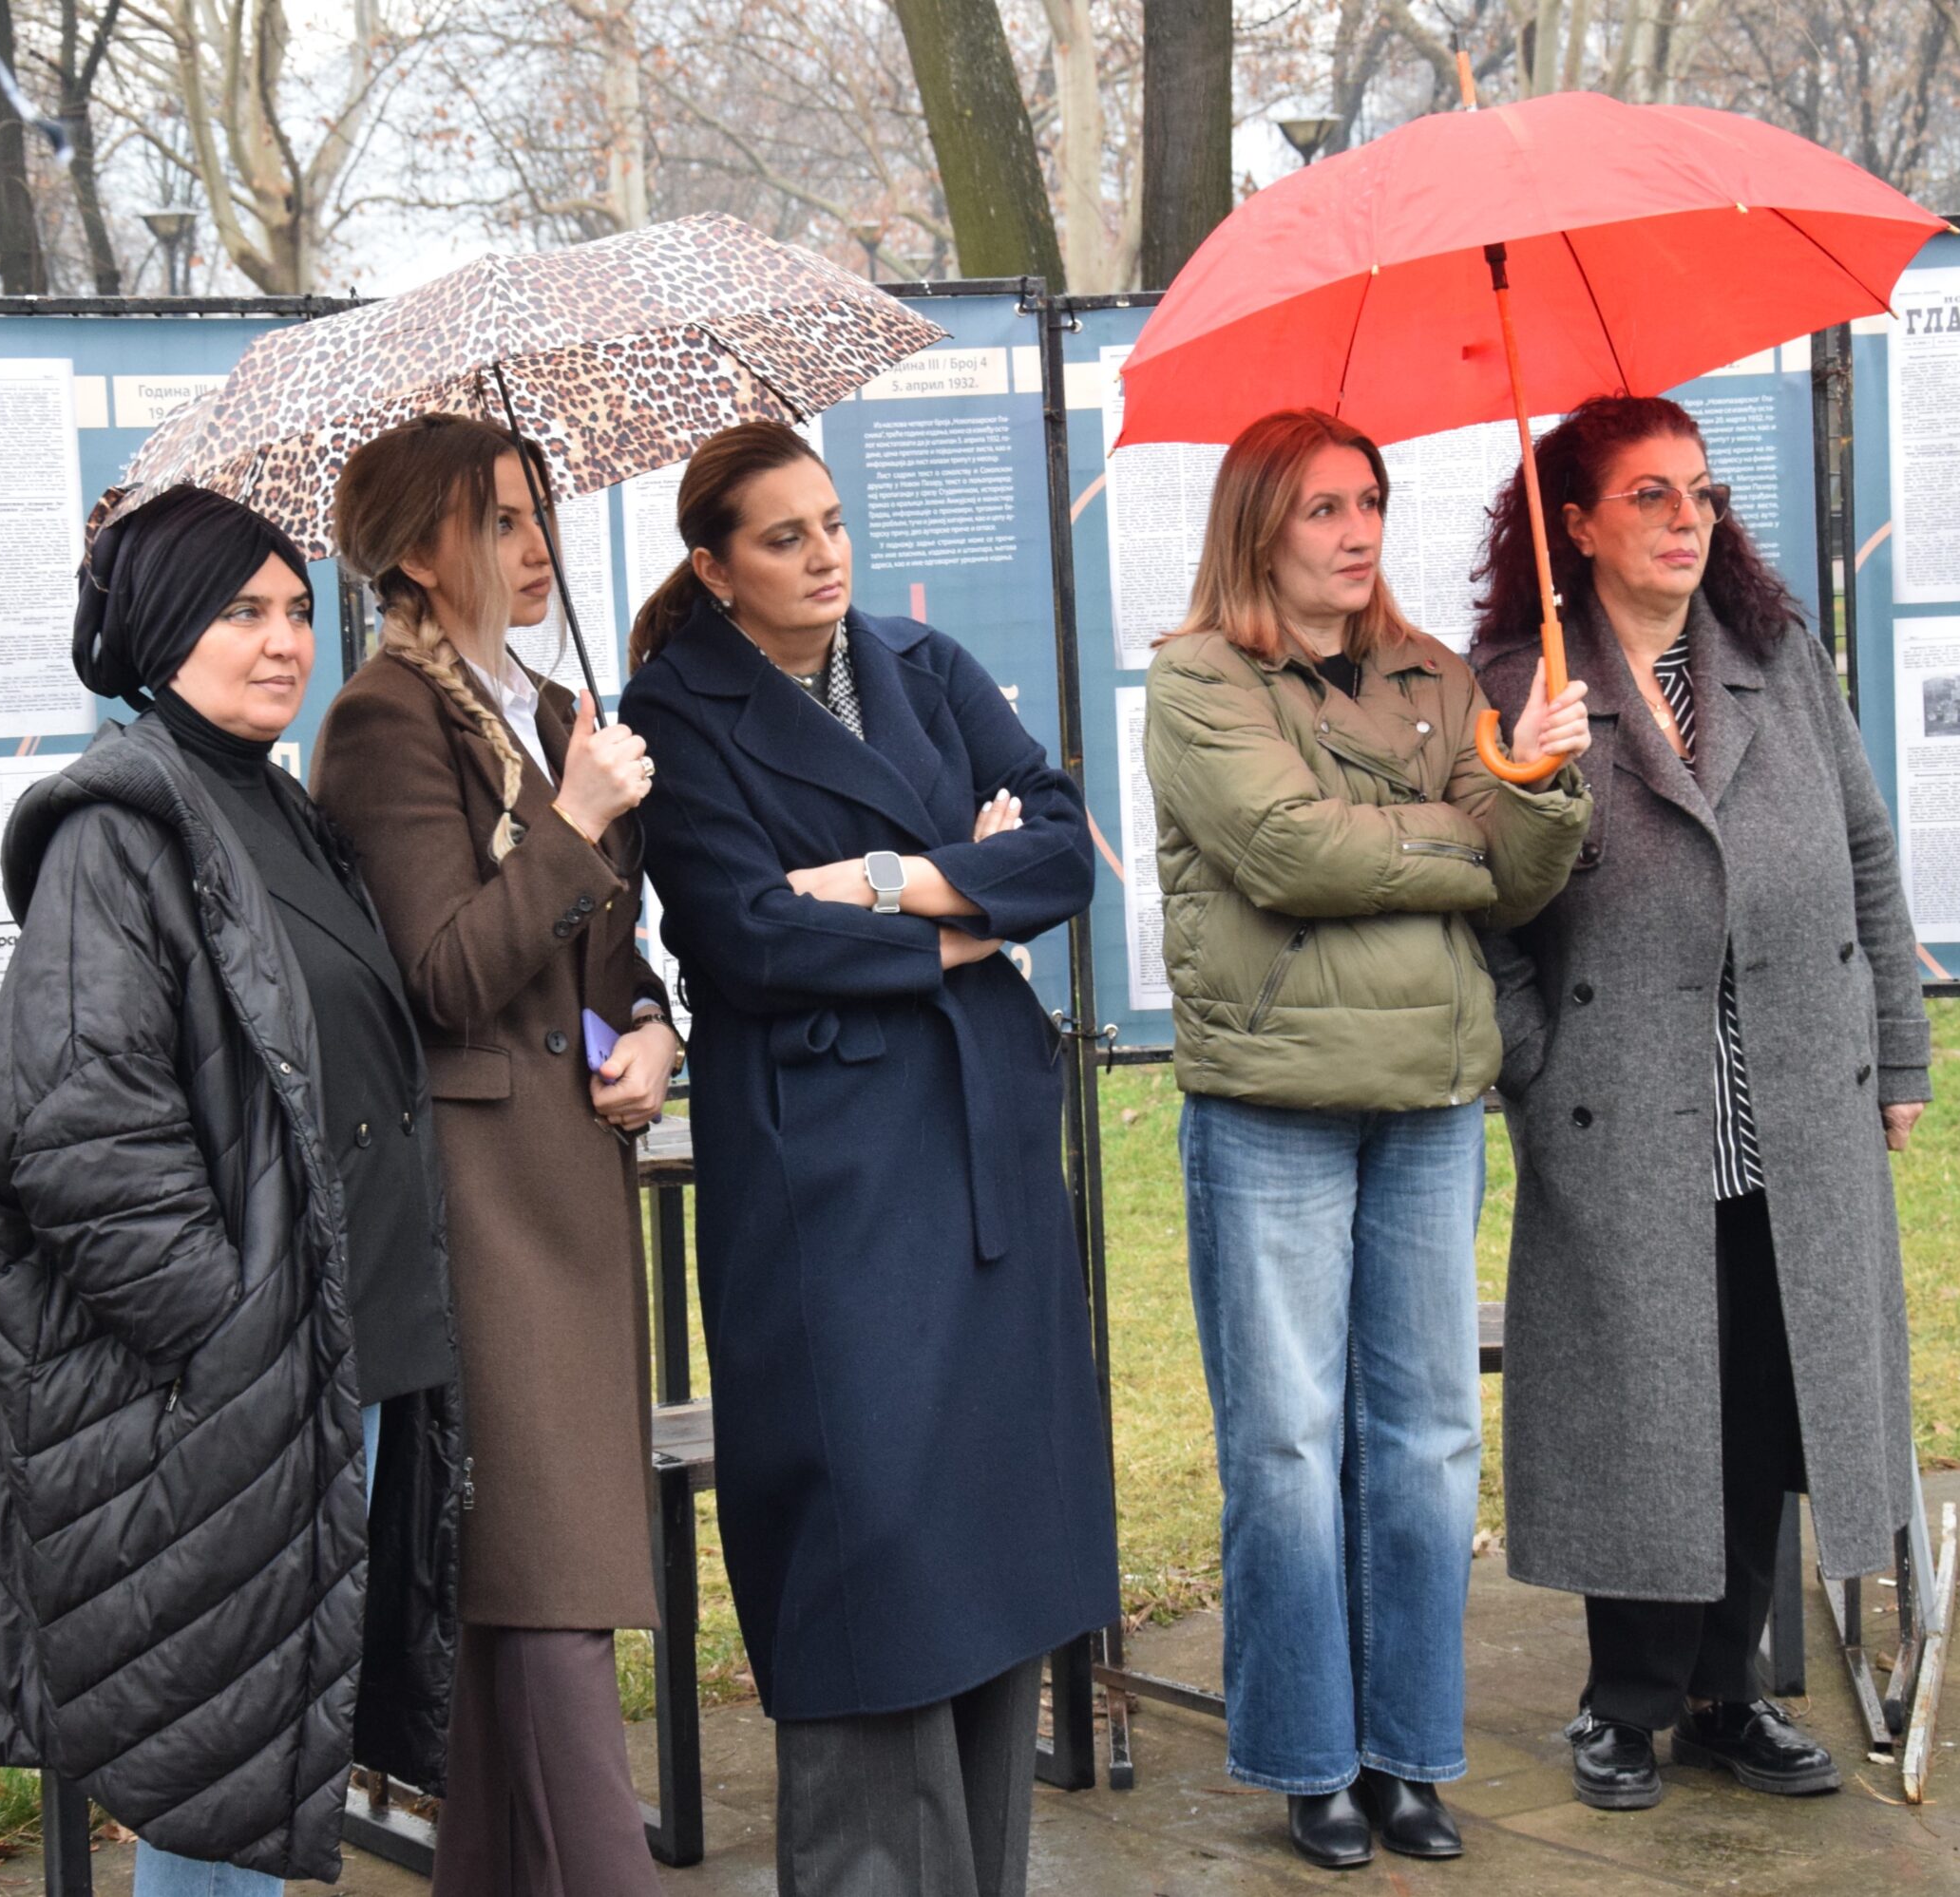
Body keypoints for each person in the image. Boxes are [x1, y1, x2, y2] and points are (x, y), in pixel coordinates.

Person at [0, 484, 464, 1892]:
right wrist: (228, 1331)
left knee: (265, 1753)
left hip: (347, 1353)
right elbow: (72, 1127)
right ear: (163, 629)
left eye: (296, 610)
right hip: (241, 1379)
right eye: (240, 611)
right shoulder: (121, 830)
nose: (283, 641)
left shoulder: (275, 805)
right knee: (222, 1772)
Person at [616, 419, 1118, 1897]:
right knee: (871, 1557)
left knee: (994, 1554)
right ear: (715, 568)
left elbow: (1065, 849)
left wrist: (888, 882)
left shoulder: (924, 664)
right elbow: (747, 938)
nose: (826, 554)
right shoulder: (676, 706)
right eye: (785, 537)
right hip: (828, 1179)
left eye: (832, 522)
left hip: (984, 1156)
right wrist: (966, 917)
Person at [1143, 408, 1591, 1870]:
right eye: (1323, 507)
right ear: (1257, 525)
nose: (1357, 532)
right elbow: (1284, 852)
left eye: (1370, 503)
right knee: (1285, 1444)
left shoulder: (1433, 674)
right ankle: (1306, 1759)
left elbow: (1517, 879)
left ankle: (1407, 1752)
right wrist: (1455, 830)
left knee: (1429, 1442)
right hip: (1271, 1097)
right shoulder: (1200, 678)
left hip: (1429, 1099)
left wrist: (1534, 780)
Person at [1469, 395, 1931, 1812]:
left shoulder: (1775, 656)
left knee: (1764, 1395)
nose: (1688, 519)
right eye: (1652, 495)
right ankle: (1623, 1704)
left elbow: (1864, 850)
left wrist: (1899, 1050)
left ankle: (1730, 1696)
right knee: (1643, 1404)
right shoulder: (1518, 686)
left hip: (1792, 1098)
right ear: (1576, 524)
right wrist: (1537, 1060)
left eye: (1703, 493)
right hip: (1621, 1106)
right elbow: (1481, 905)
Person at [313, 412, 676, 1897]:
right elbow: (447, 973)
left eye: (542, 514)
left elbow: (606, 959)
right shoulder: (386, 719)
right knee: (540, 1584)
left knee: (531, 1589)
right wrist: (575, 817)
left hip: (569, 1181)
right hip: (483, 1203)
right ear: (420, 551)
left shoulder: (545, 704)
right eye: (503, 521)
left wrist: (652, 1028)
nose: (539, 547)